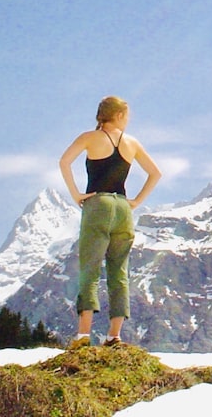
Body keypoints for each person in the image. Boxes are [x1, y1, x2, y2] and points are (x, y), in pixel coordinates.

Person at [59, 96, 162, 347]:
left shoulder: (89, 138)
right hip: (123, 208)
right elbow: (155, 173)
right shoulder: (132, 143)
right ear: (118, 116)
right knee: (119, 272)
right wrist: (136, 201)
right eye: (126, 116)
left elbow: (64, 162)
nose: (128, 120)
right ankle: (114, 336)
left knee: (90, 268)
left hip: (98, 204)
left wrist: (76, 194)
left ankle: (83, 335)